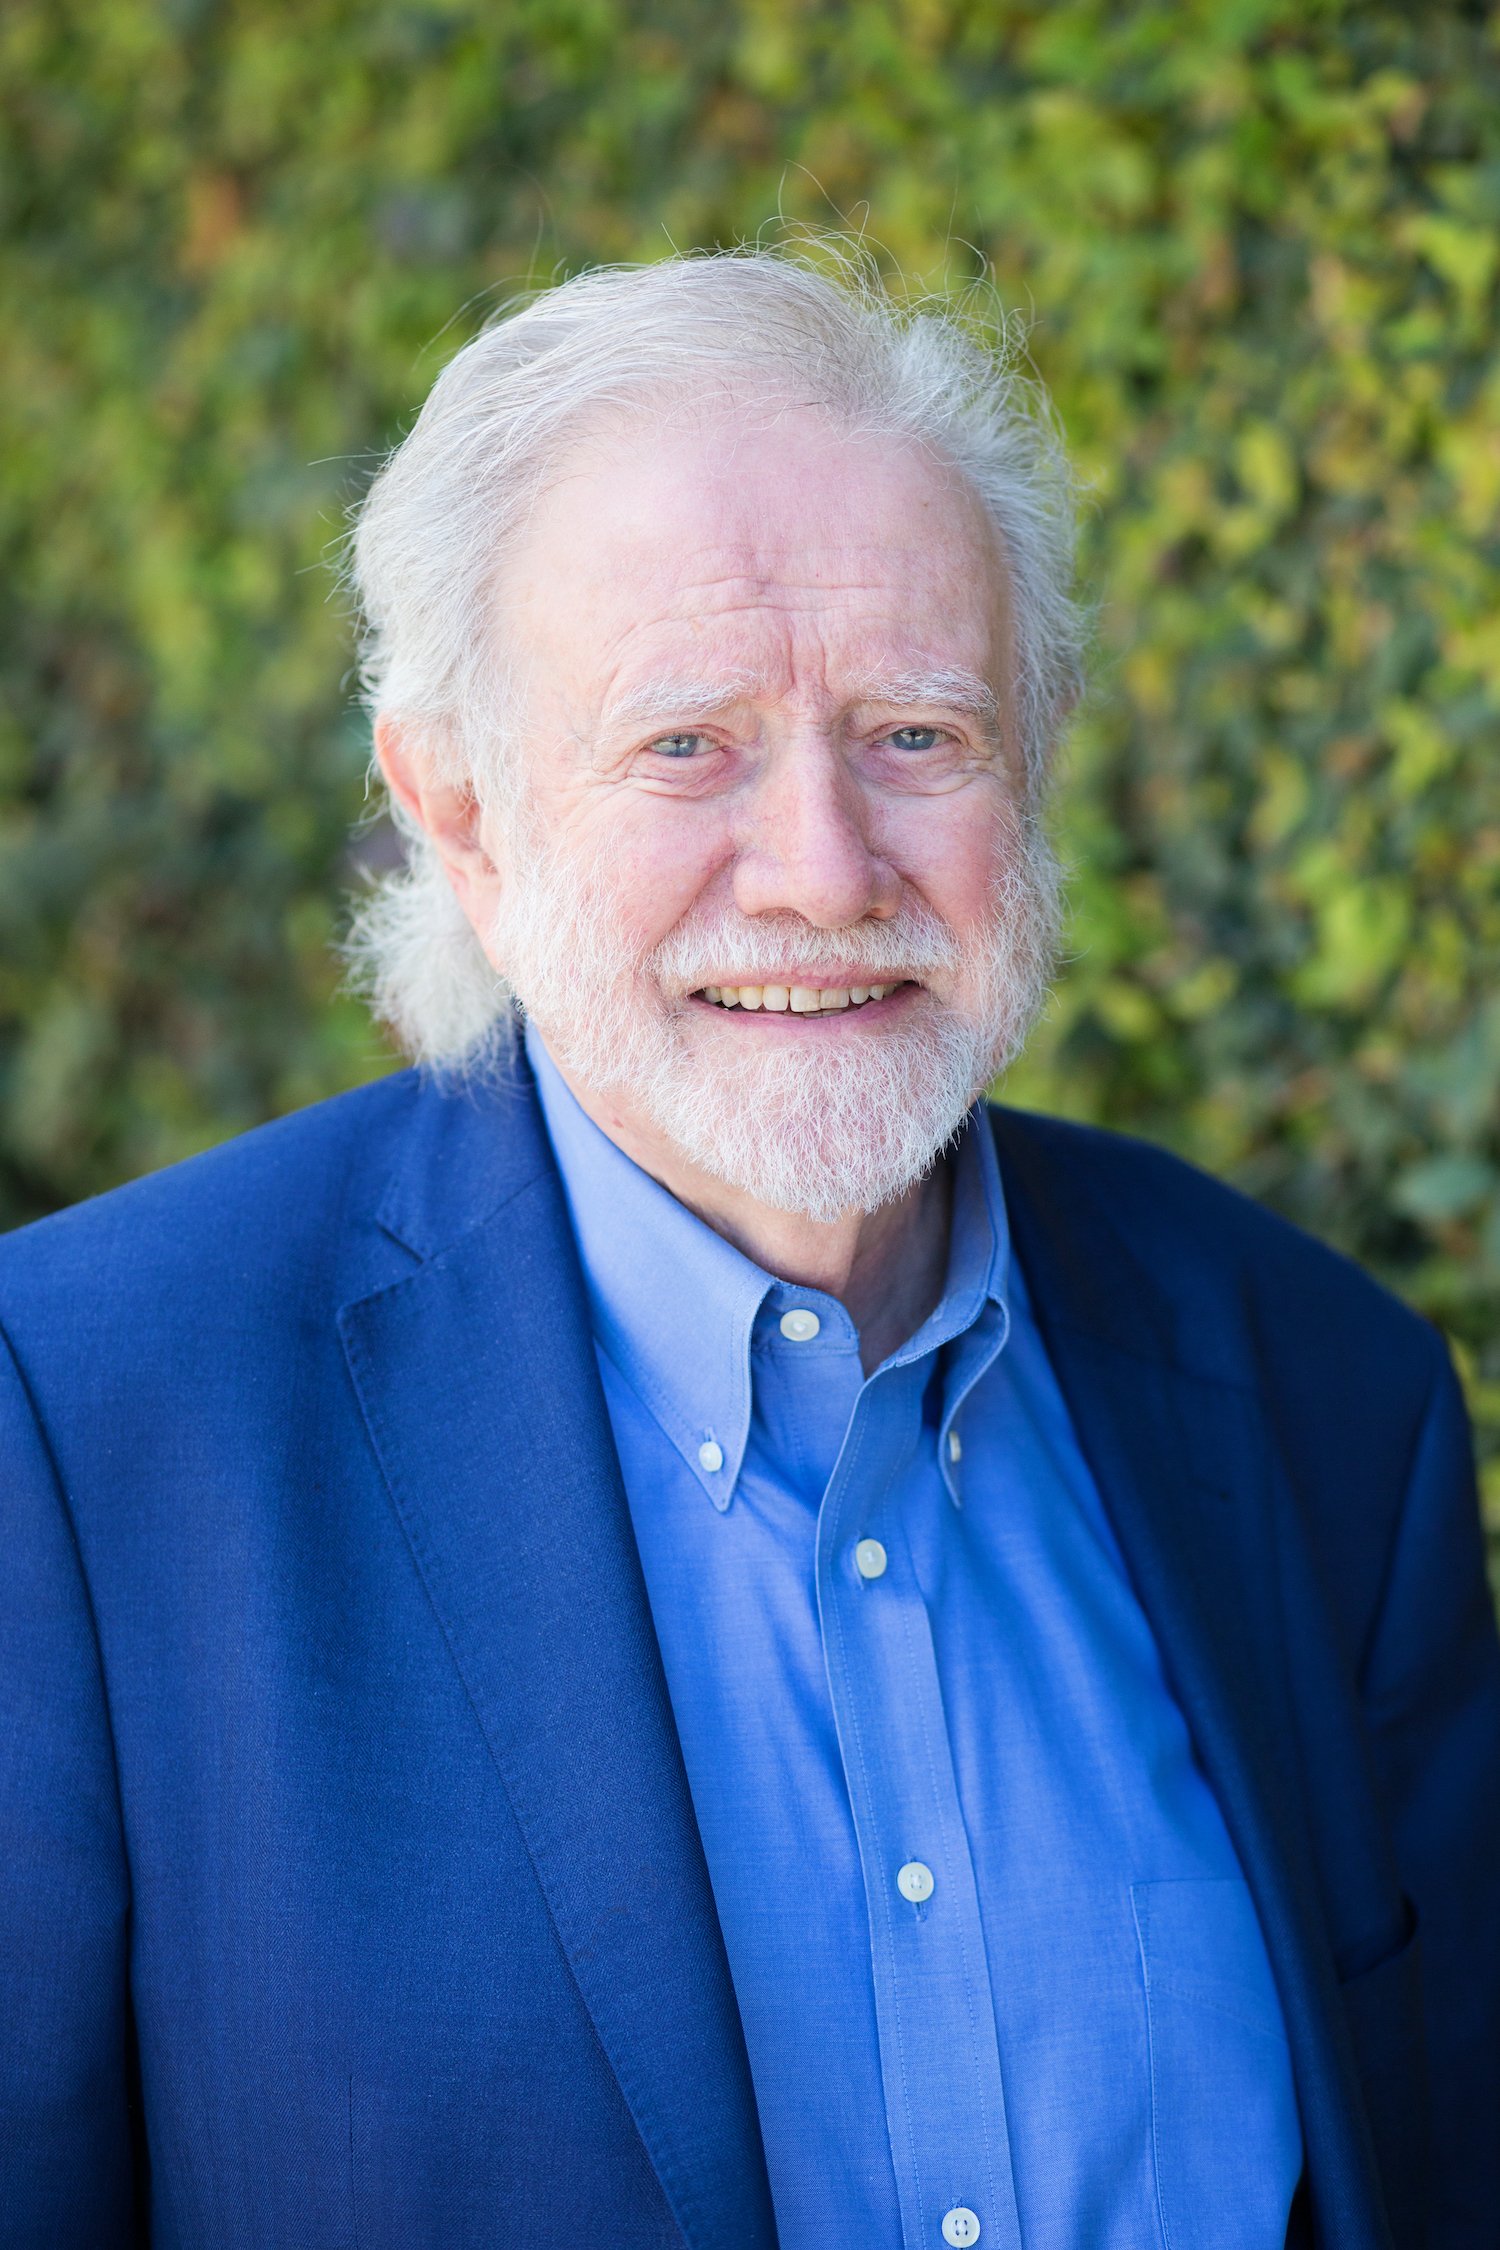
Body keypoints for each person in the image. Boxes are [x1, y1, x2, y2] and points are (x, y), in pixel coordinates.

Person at [1, 247, 1496, 2250]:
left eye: (918, 735)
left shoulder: (1328, 1397)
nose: (821, 871)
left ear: (1038, 750)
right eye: (687, 743)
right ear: (461, 811)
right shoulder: (85, 1434)